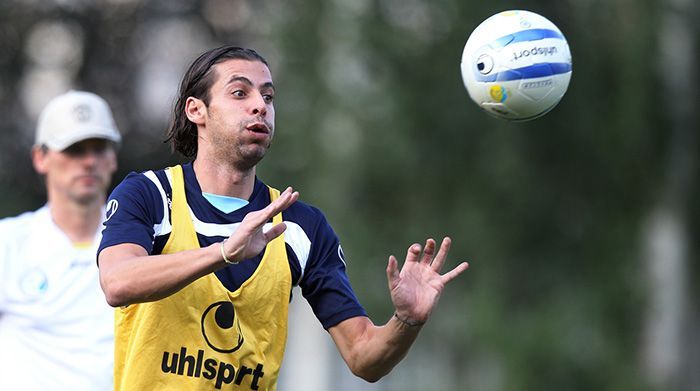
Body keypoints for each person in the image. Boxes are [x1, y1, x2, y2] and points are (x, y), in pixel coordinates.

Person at [97, 46, 469, 391]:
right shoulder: (150, 195)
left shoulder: (301, 226)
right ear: (197, 111)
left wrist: (406, 321)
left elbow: (363, 358)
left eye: (268, 96)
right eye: (240, 93)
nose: (260, 106)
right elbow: (118, 282)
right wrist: (224, 251)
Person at [0, 90, 121, 390]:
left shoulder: (143, 243)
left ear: (113, 158)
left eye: (99, 148)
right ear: (40, 158)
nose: (89, 161)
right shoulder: (8, 242)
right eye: (74, 150)